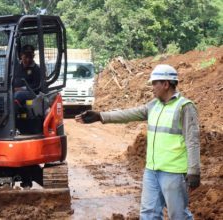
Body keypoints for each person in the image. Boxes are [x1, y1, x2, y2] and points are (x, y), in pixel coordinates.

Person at [76, 64, 200, 220]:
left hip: (173, 172)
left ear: (166, 84)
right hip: (152, 171)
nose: (152, 88)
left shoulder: (185, 107)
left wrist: (194, 171)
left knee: (178, 215)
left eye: (155, 83)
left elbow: (193, 141)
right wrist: (100, 116)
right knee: (148, 214)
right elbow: (128, 114)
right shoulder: (154, 106)